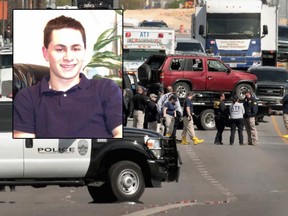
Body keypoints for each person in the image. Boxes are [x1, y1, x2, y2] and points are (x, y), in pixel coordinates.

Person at [13, 15, 122, 138]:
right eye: (60, 49)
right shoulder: (27, 98)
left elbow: (120, 136)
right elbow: (25, 151)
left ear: (84, 51)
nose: (68, 57)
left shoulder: (106, 90)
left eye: (75, 49)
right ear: (45, 53)